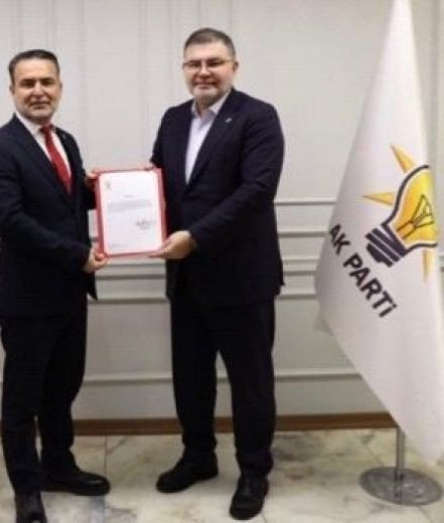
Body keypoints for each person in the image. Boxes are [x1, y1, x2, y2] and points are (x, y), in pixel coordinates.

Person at [149, 28, 284, 521]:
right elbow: (157, 182)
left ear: (233, 67)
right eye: (194, 63)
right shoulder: (172, 119)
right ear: (184, 69)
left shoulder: (258, 117)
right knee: (191, 377)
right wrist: (115, 192)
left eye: (214, 62)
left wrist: (195, 236)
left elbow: (256, 191)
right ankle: (198, 456)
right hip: (187, 278)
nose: (203, 72)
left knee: (250, 382)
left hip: (242, 278)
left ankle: (253, 471)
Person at [0, 49, 110, 523]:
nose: (38, 91)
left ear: (60, 87)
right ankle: (27, 488)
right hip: (27, 300)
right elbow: (10, 220)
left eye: (46, 82)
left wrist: (107, 191)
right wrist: (77, 256)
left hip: (70, 295)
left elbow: (64, 204)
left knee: (62, 391)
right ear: (12, 90)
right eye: (28, 83)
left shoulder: (64, 141)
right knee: (23, 400)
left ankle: (59, 467)